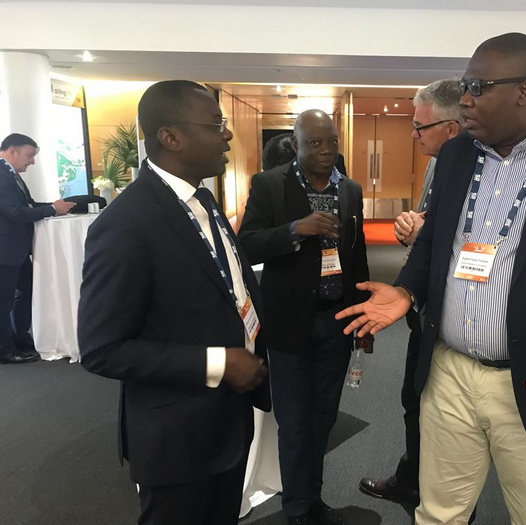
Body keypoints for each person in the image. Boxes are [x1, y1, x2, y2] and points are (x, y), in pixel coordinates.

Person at [337, 32, 526, 524]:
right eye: (465, 85)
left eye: (478, 86)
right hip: (449, 371)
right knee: (438, 512)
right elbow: (435, 243)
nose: (465, 99)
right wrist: (405, 289)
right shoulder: (459, 155)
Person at [78, 80, 270, 525]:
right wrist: (219, 363)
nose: (227, 135)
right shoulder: (126, 224)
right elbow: (103, 348)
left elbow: (226, 290)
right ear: (171, 137)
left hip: (227, 419)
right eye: (216, 125)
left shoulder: (202, 199)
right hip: (177, 434)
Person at [238, 109, 371, 525]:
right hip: (291, 324)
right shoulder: (269, 185)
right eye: (315, 142)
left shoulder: (349, 188)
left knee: (322, 419)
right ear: (295, 145)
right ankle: (296, 508)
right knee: (294, 424)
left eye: (332, 141)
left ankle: (313, 500)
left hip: (338, 320)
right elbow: (248, 245)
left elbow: (357, 253)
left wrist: (364, 316)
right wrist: (297, 229)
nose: (327, 149)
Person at [359, 79, 467, 508]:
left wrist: (431, 237)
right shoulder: (441, 165)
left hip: (459, 318)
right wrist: (412, 234)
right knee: (414, 400)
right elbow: (428, 231)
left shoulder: (480, 171)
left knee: (440, 413)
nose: (414, 134)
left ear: (452, 128)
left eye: (421, 127)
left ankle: (432, 491)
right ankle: (413, 480)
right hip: (424, 308)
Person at [0, 133, 75, 364]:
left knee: (25, 293)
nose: (32, 161)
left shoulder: (12, 175)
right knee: (3, 302)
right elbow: (14, 212)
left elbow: (27, 205)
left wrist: (55, 206)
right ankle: (5, 350)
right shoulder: (1, 174)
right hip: (5, 249)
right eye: (29, 155)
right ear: (12, 150)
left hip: (17, 250)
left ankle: (20, 340)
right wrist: (52, 209)